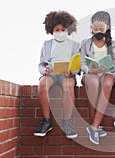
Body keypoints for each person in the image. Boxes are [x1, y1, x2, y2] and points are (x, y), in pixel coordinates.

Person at [34, 11, 80, 139]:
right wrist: (44, 71)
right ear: (51, 30)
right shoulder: (47, 44)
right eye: (57, 29)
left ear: (68, 29)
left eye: (63, 29)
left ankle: (68, 122)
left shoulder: (75, 45)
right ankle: (46, 121)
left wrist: (72, 72)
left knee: (68, 87)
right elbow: (41, 64)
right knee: (42, 85)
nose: (60, 32)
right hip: (51, 74)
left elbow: (78, 64)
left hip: (67, 75)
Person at [80, 11, 115, 145]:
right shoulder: (85, 43)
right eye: (95, 29)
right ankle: (94, 124)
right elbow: (82, 63)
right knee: (94, 83)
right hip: (91, 73)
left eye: (101, 29)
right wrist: (91, 70)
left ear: (107, 27)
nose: (98, 31)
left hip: (106, 72)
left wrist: (106, 68)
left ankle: (94, 127)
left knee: (107, 84)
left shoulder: (112, 43)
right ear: (91, 28)